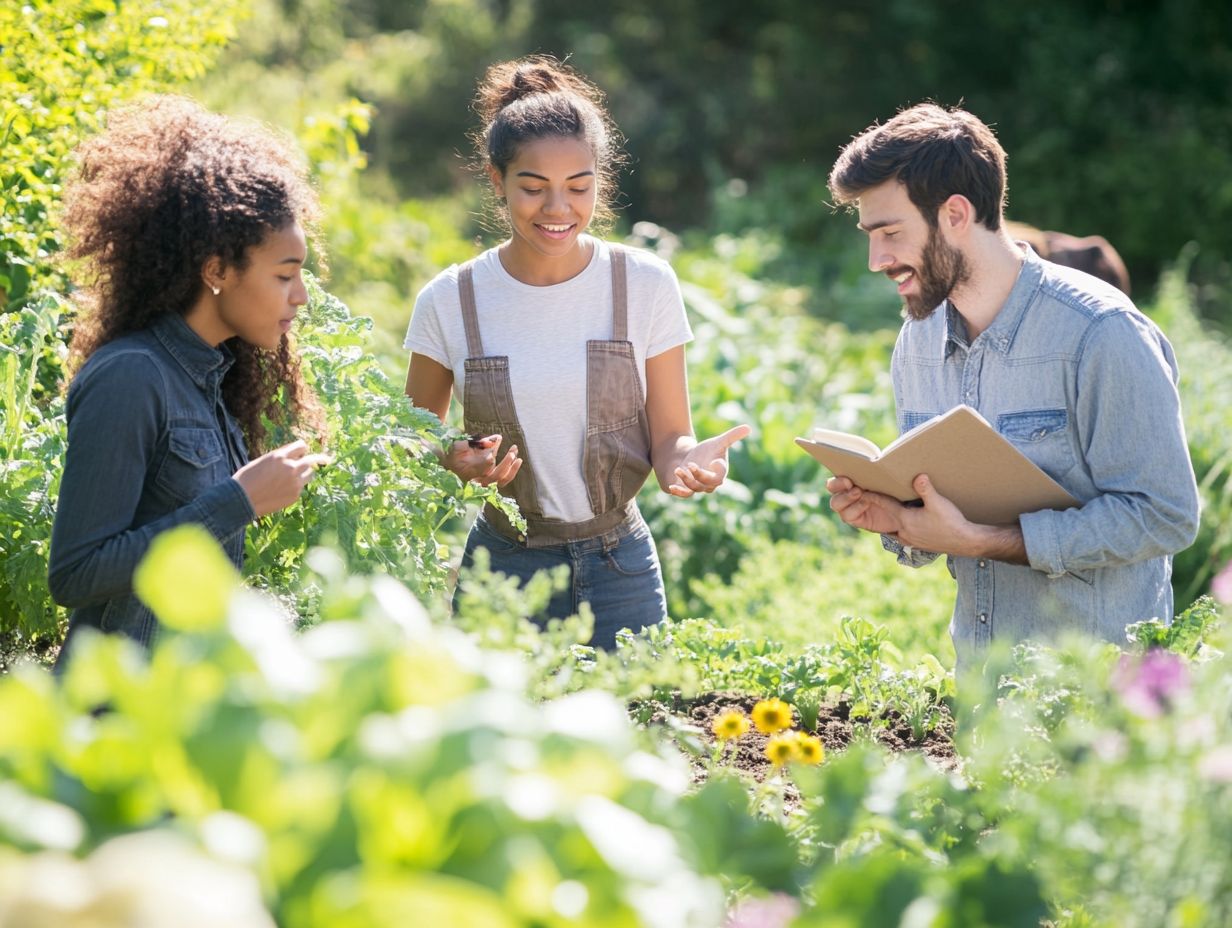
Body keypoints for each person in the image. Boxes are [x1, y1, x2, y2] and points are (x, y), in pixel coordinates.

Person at [824, 103, 1200, 670]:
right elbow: (946, 515)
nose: (877, 259)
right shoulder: (917, 340)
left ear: (954, 213)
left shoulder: (1101, 332)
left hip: (1099, 702)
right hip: (984, 690)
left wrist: (986, 540)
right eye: (869, 236)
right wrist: (902, 522)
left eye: (891, 233)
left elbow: (1166, 515)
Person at [404, 56, 749, 649]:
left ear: (599, 182)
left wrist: (687, 466)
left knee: (638, 732)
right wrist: (452, 461)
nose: (558, 209)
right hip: (501, 572)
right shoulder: (450, 300)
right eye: (533, 188)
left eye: (578, 188)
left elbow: (671, 439)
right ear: (496, 180)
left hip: (622, 569)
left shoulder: (643, 283)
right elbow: (412, 441)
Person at [49, 96, 331, 666]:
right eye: (284, 275)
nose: (299, 297)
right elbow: (76, 574)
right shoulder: (131, 377)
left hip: (175, 715)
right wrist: (239, 501)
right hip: (111, 722)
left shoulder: (209, 379)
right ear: (216, 271)